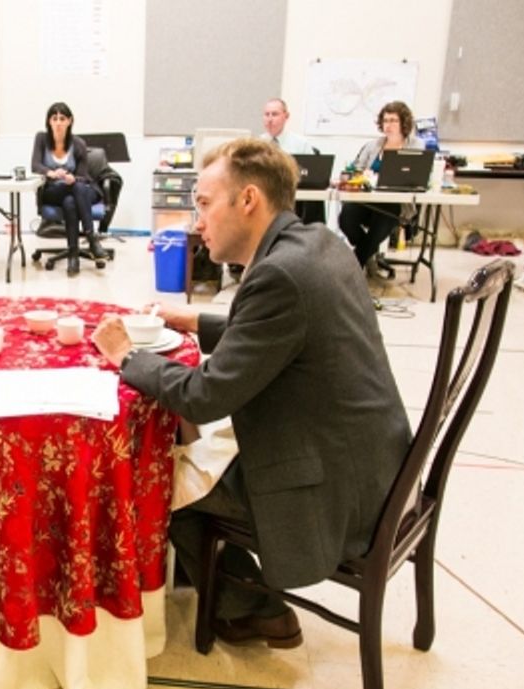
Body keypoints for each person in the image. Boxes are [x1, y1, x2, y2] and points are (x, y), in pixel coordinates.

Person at [92, 138, 410, 650]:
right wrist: (192, 320)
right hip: (374, 463)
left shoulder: (278, 275)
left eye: (203, 203)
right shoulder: (317, 244)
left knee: (158, 474)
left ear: (248, 200)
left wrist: (126, 356)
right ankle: (219, 579)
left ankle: (255, 607)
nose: (198, 222)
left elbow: (203, 396)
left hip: (333, 491)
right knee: (196, 448)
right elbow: (278, 332)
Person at [337, 101, 423, 271]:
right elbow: (357, 170)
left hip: (395, 202)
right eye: (385, 120)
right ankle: (370, 253)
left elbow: (417, 175)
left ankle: (354, 266)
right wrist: (361, 174)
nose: (388, 125)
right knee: (345, 217)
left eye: (393, 120)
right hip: (368, 199)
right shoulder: (373, 145)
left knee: (385, 217)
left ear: (403, 122)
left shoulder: (415, 145)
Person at [30, 102, 106, 276]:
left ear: (70, 121)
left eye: (62, 119)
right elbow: (35, 165)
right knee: (74, 191)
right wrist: (51, 172)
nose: (58, 123)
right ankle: (91, 238)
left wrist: (73, 178)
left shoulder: (78, 143)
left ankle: (74, 256)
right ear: (49, 121)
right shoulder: (41, 139)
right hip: (52, 191)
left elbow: (84, 177)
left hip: (74, 190)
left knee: (71, 200)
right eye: (54, 118)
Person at [259, 97, 325, 225]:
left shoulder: (301, 144)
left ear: (286, 116)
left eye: (275, 114)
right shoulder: (257, 143)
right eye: (267, 114)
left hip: (292, 198)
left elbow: (313, 174)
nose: (270, 119)